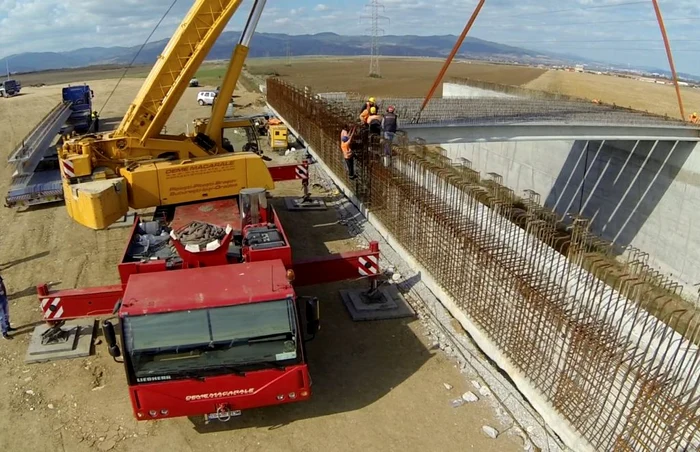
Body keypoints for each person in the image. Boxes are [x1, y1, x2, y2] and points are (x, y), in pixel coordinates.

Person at [0, 273, 14, 340]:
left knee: (6, 314)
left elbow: (2, 284)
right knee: (2, 316)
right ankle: (4, 333)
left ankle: (8, 327)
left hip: (2, 297)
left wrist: (5, 295)